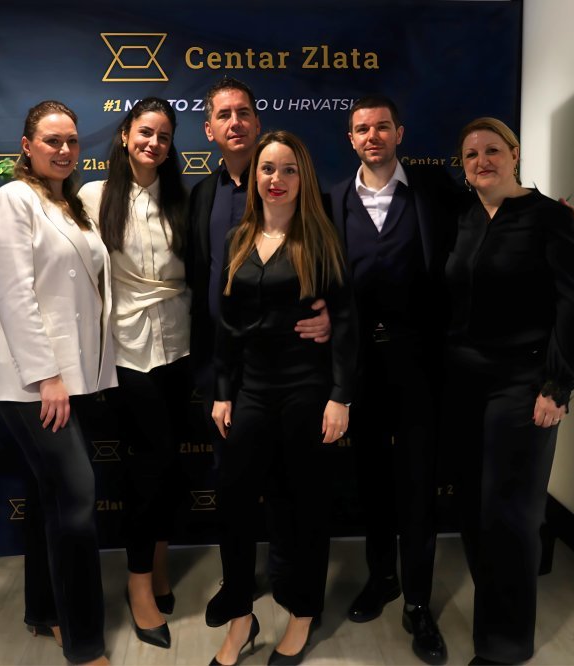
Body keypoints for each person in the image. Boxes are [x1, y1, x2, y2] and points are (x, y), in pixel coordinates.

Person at [443, 117, 574, 665]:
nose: (482, 161)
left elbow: (572, 306)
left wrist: (558, 385)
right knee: (474, 507)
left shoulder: (552, 217)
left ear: (514, 154)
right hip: (462, 382)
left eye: (492, 150)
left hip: (524, 382)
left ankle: (503, 647)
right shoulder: (458, 216)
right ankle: (501, 601)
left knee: (509, 512)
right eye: (471, 154)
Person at [186, 77, 330, 628]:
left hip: (292, 371)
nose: (235, 122)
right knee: (234, 484)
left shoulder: (300, 190)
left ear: (258, 121)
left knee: (293, 485)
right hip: (225, 368)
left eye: (243, 112)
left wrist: (331, 318)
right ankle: (239, 587)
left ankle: (290, 581)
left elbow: (335, 275)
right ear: (210, 130)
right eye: (224, 115)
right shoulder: (202, 195)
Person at [210, 130, 358, 666]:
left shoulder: (321, 238)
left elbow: (345, 320)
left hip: (307, 391)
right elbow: (227, 325)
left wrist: (341, 396)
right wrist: (223, 393)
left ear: (304, 178)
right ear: (255, 177)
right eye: (268, 169)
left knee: (305, 507)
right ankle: (240, 616)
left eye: (289, 169)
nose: (277, 179)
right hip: (251, 389)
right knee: (233, 502)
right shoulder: (239, 237)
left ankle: (301, 613)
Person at [0, 100, 114, 666]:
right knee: (77, 498)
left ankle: (44, 611)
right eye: (52, 141)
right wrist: (47, 376)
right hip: (33, 382)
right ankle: (85, 645)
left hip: (69, 377)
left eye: (71, 141)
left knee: (50, 495)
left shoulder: (70, 205)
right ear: (27, 145)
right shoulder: (11, 199)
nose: (64, 150)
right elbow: (14, 295)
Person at [329, 95, 459, 665]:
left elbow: (494, 208)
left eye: (382, 127)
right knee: (372, 482)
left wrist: (559, 213)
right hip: (359, 370)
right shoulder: (333, 199)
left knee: (418, 486)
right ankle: (382, 578)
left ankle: (419, 602)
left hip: (421, 366)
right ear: (351, 139)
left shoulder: (434, 189)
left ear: (399, 133)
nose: (373, 136)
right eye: (362, 129)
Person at [78, 97, 190, 650]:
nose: (154, 143)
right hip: (125, 347)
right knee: (149, 463)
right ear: (125, 134)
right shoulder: (93, 197)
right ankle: (138, 582)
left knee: (168, 466)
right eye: (146, 132)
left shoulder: (183, 197)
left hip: (182, 343)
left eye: (164, 136)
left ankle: (160, 560)